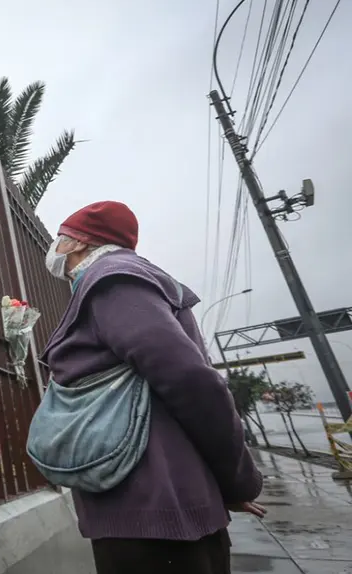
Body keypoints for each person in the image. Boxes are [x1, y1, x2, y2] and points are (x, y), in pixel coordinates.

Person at [39, 201, 265, 574]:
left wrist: (239, 480)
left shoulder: (113, 278)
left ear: (77, 241)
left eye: (58, 239)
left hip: (151, 518)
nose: (54, 248)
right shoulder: (117, 282)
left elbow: (190, 381)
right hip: (161, 511)